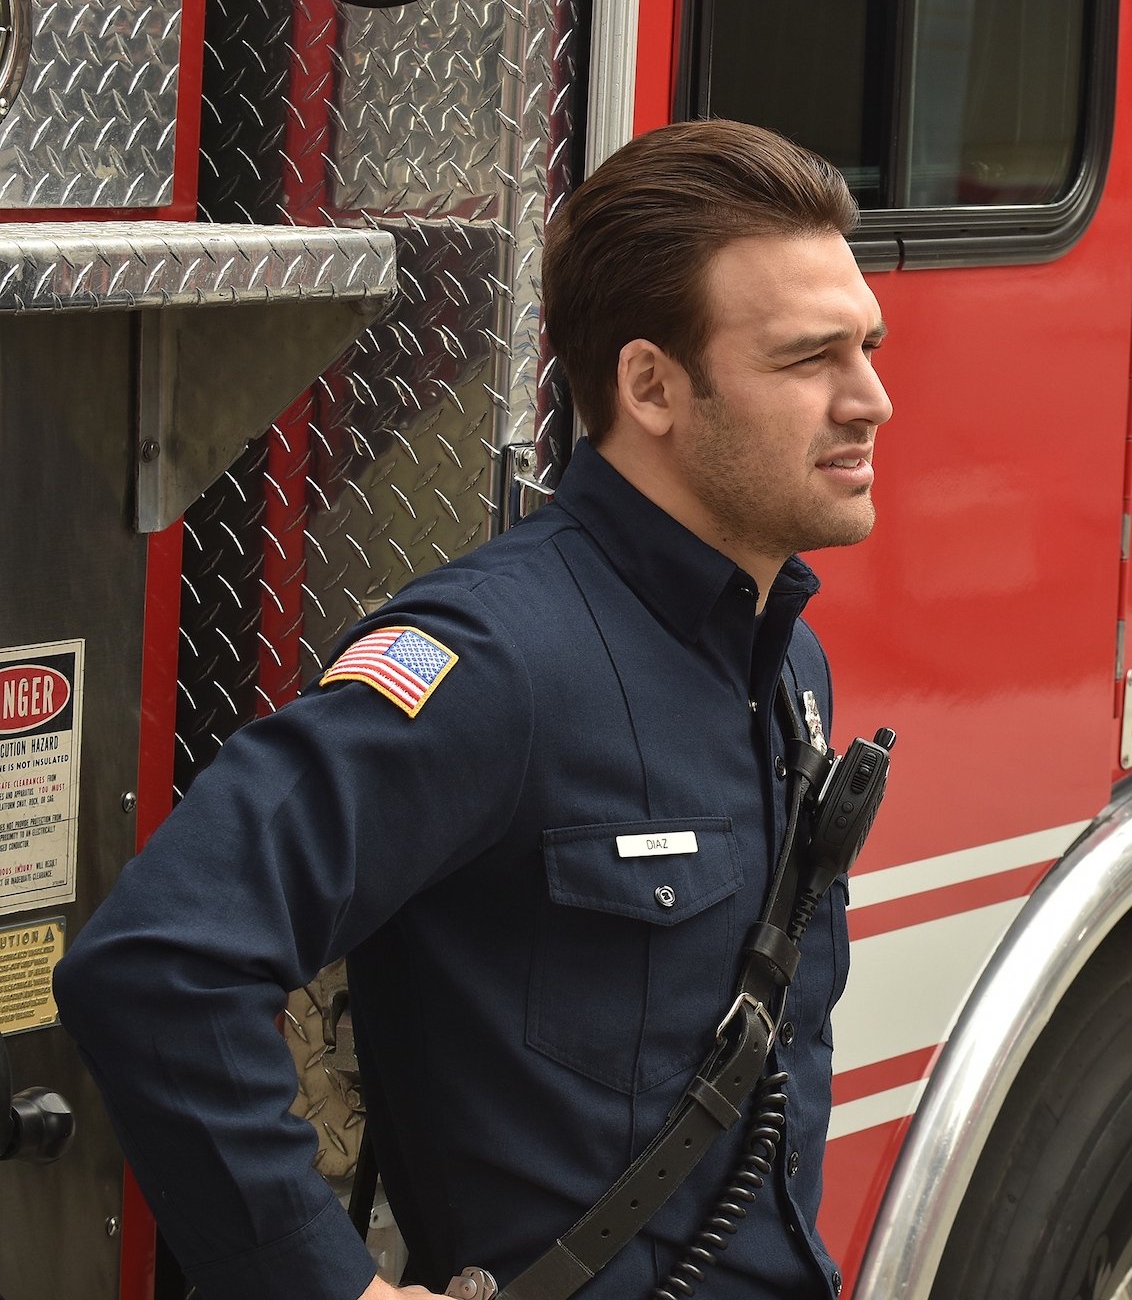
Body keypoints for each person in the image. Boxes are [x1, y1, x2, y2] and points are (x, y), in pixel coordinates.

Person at [54, 119, 893, 1300]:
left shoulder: (787, 662)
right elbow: (156, 965)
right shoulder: (492, 664)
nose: (871, 399)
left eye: (867, 346)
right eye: (810, 359)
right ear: (651, 385)